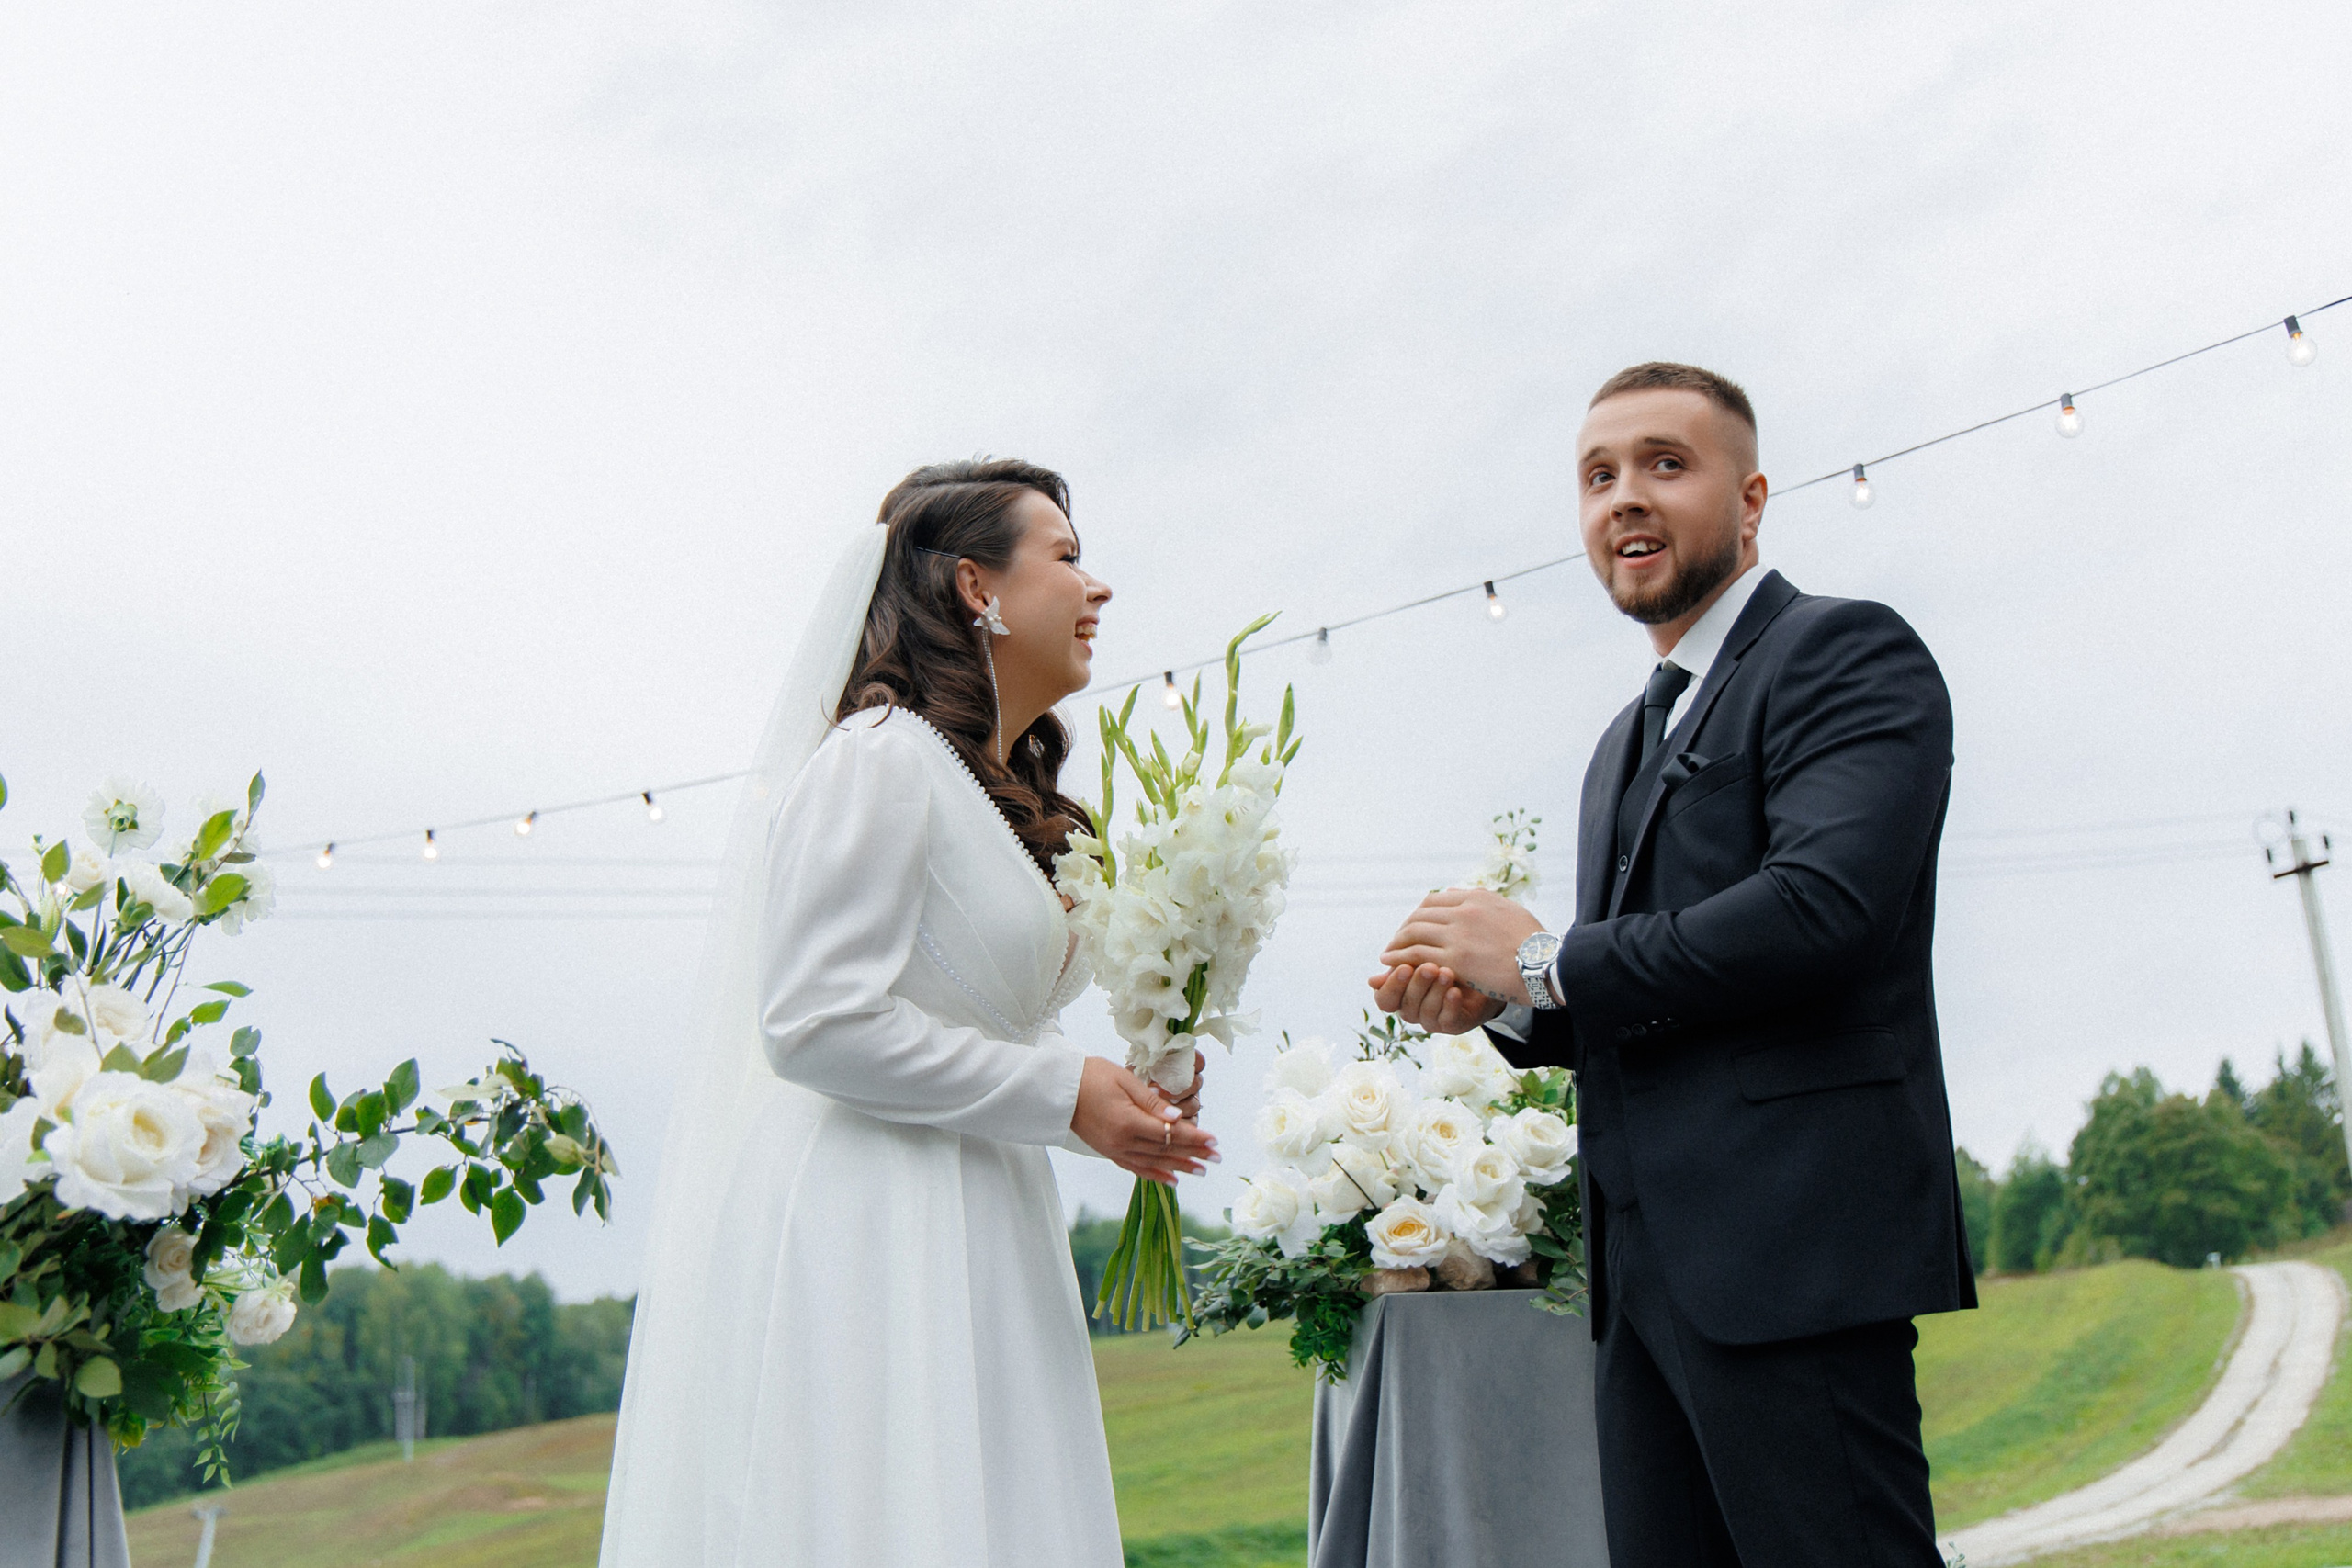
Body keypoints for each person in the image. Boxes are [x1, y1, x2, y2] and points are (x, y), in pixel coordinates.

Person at [1370, 364, 1974, 1567]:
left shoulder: (1845, 652)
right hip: (1640, 1282)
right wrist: (1494, 1001)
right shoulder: (1622, 741)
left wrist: (1539, 954)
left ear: (1750, 500)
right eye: (1598, 476)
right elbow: (1629, 1000)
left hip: (1794, 1255)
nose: (1624, 499)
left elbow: (1823, 911)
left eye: (1664, 464)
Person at [600, 459, 1218, 1568]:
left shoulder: (996, 786)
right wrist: (1058, 1093)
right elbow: (814, 1020)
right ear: (977, 588)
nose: (1098, 589)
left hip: (983, 1206)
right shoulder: (877, 763)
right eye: (1067, 557)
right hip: (875, 1218)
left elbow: (971, 1008)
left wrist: (1123, 1082)